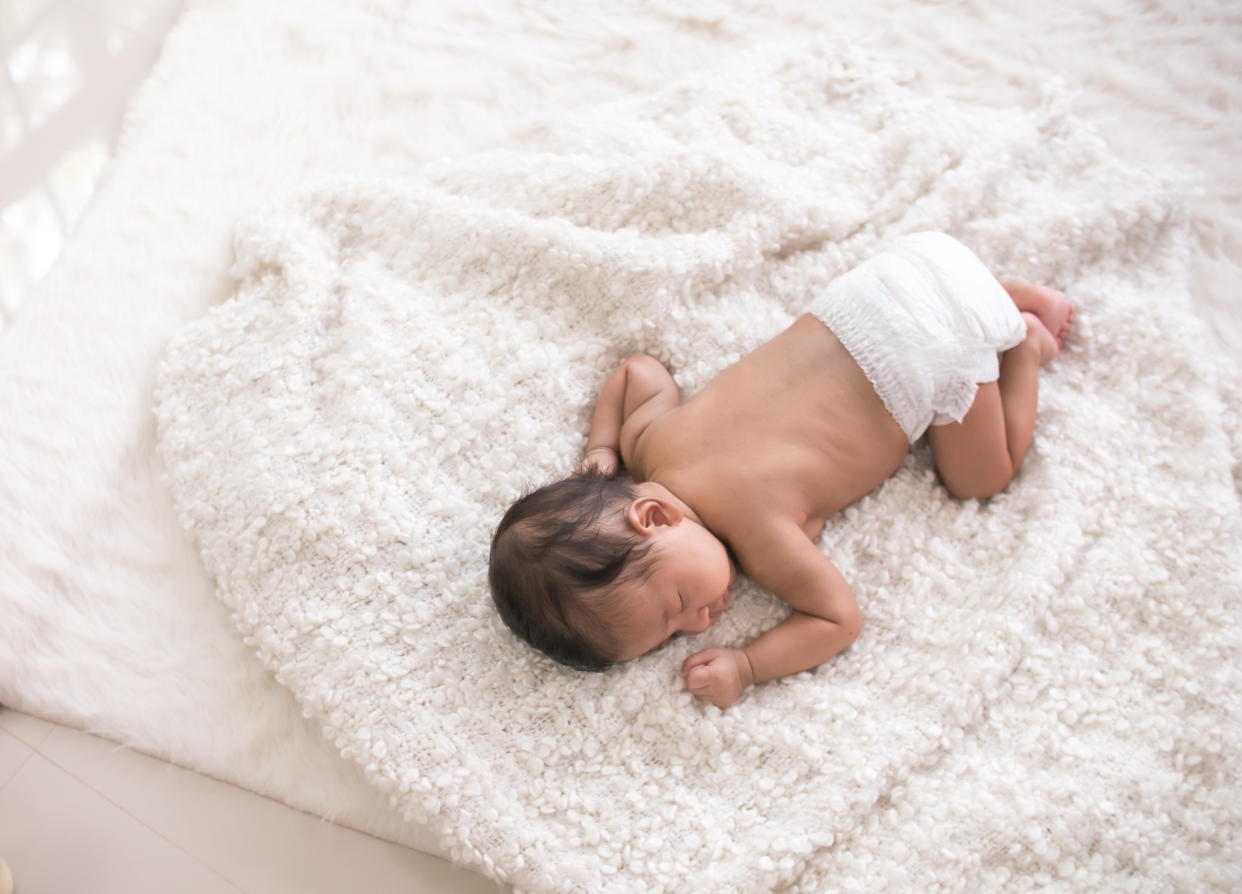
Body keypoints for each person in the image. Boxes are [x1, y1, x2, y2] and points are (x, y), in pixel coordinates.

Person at [489, 232, 1074, 708]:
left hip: (935, 353)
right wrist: (603, 446)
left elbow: (838, 619)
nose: (696, 625)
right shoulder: (648, 444)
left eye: (673, 608)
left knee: (981, 480)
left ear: (655, 517)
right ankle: (999, 294)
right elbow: (637, 371)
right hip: (890, 280)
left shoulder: (759, 535)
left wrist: (748, 665)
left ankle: (1022, 345)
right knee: (938, 304)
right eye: (672, 636)